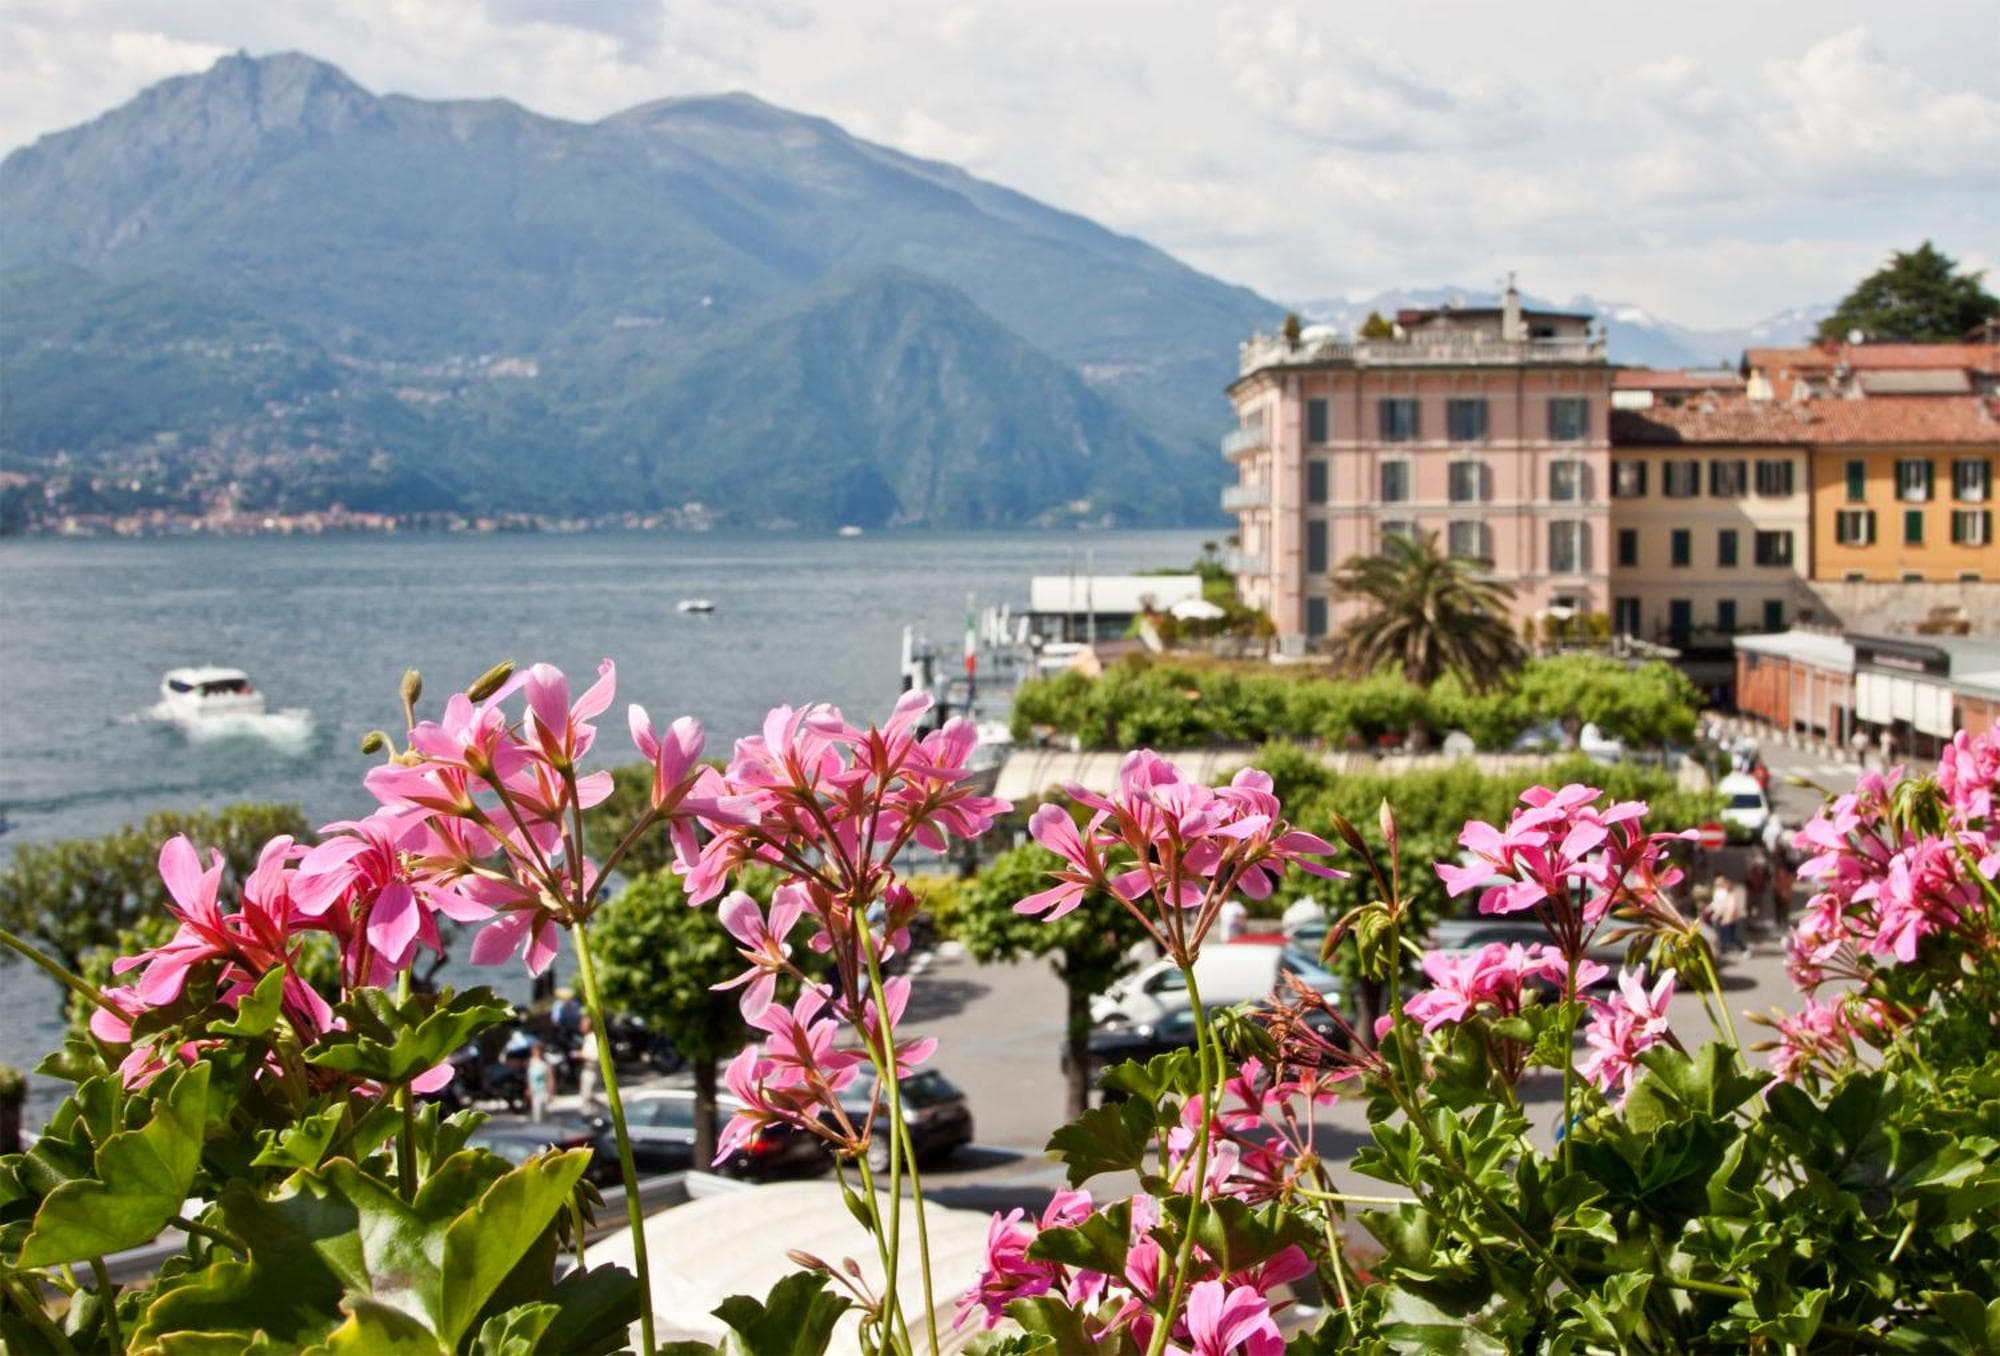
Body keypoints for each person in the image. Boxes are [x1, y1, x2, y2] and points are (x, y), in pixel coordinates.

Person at [1705, 874, 1749, 960]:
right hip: (1721, 917)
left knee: (1732, 936)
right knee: (1721, 935)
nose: (1717, 884)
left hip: (1728, 917)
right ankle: (1723, 951)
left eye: (1719, 882)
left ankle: (1744, 949)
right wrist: (1709, 908)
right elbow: (1716, 903)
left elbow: (1727, 906)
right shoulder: (1718, 892)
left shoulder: (1727, 893)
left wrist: (1719, 915)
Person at [575, 1014, 600, 1115]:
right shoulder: (587, 1038)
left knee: (588, 1094)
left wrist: (581, 1055)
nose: (580, 1027)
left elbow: (596, 1056)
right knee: (586, 1094)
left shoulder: (593, 1038)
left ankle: (593, 1114)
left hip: (592, 1070)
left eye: (582, 1025)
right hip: (587, 1069)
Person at [525, 1039, 553, 1123]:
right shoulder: (531, 1062)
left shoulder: (545, 1064)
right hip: (534, 1091)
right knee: (536, 1113)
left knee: (543, 1112)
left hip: (543, 1090)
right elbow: (529, 1077)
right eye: (535, 1051)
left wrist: (550, 1093)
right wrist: (528, 1088)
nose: (537, 1052)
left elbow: (550, 1078)